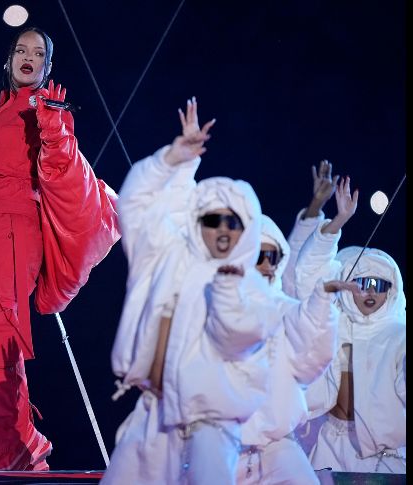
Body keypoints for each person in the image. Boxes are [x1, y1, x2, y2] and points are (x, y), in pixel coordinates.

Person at [0, 26, 121, 470]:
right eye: (21, 50)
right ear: (9, 59)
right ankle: (15, 449)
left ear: (48, 67)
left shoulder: (43, 110)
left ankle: (20, 450)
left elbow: (59, 163)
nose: (28, 57)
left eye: (38, 53)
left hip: (12, 231)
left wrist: (53, 124)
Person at [103, 98, 282, 484]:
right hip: (154, 414)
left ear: (246, 228)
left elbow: (238, 334)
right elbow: (135, 205)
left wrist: (229, 288)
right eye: (212, 219)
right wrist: (173, 161)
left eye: (232, 222)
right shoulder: (166, 256)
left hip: (211, 428)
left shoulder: (254, 287)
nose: (222, 229)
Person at [235, 196, 359, 484]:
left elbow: (312, 360)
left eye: (273, 257)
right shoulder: (211, 307)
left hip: (277, 447)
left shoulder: (287, 310)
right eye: (258, 257)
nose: (267, 265)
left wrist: (322, 302)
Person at [304, 246, 406, 473]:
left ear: (391, 291)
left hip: (383, 453)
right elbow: (307, 285)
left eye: (379, 285)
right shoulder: (334, 328)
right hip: (331, 444)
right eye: (362, 284)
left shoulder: (400, 335)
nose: (370, 292)